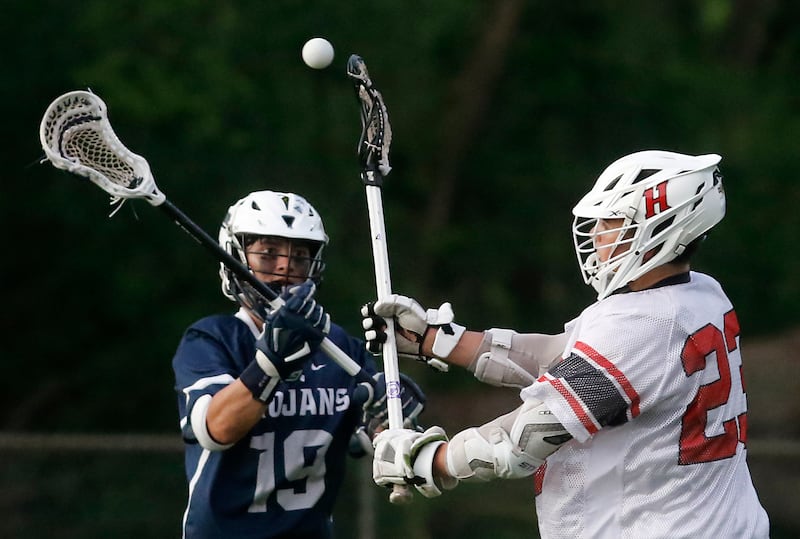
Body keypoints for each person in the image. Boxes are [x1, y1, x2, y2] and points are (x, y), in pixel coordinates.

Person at [363, 151, 770, 537]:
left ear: (660, 232)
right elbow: (563, 359)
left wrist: (427, 461)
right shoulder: (699, 295)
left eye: (612, 222)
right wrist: (436, 341)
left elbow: (526, 439)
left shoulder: (638, 327)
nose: (596, 234)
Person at [172, 190, 425, 539]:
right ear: (235, 256)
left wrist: (392, 418)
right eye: (269, 252)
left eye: (300, 255)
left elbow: (363, 437)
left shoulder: (338, 346)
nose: (285, 266)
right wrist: (269, 366)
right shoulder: (213, 338)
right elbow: (215, 430)